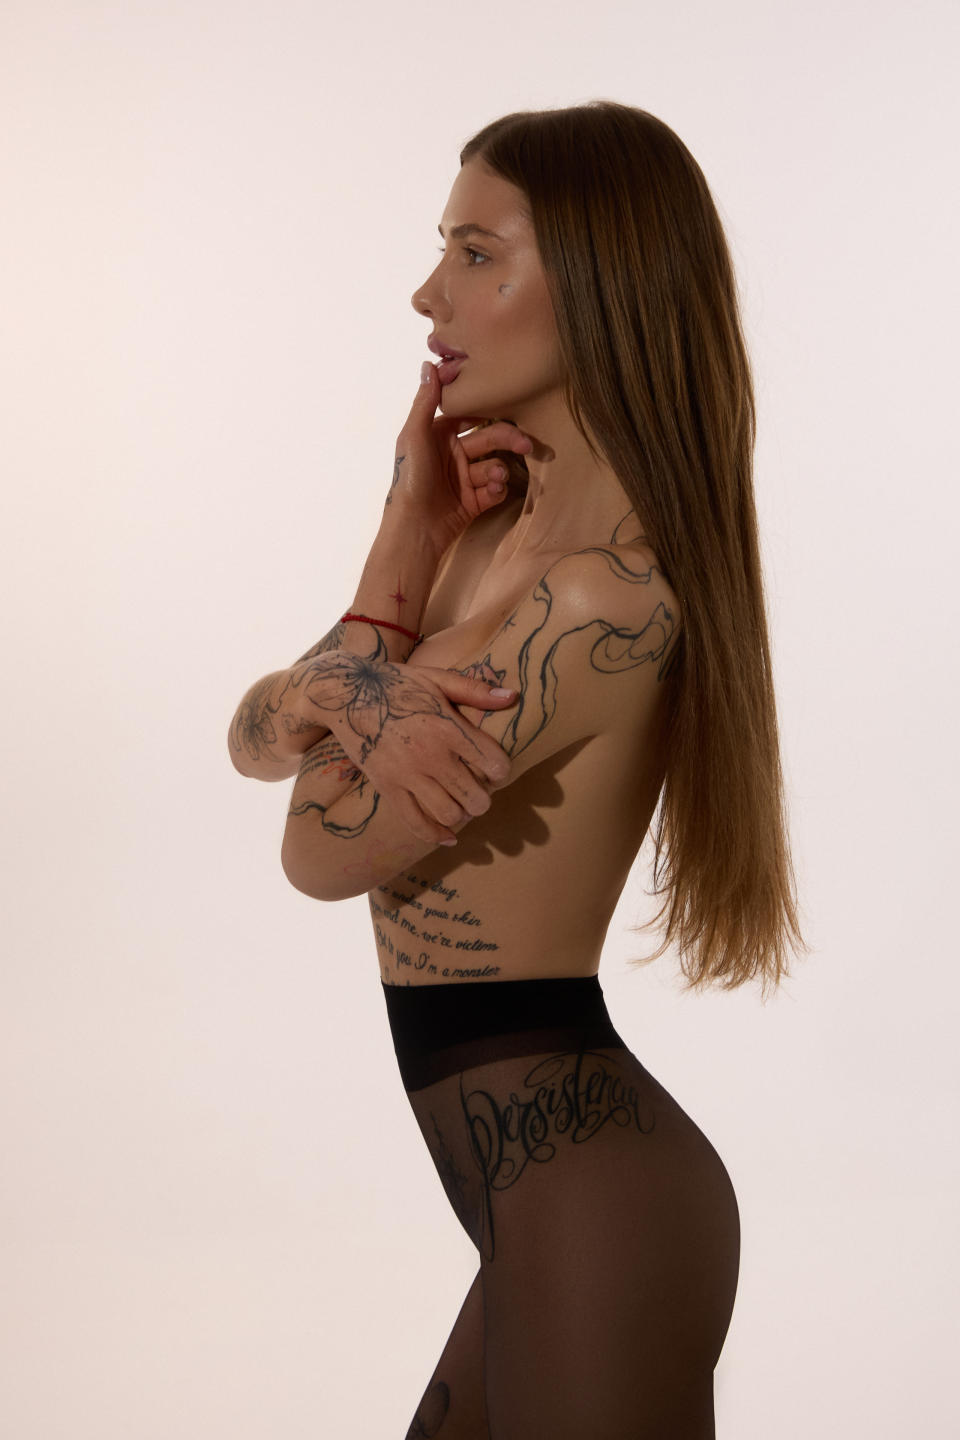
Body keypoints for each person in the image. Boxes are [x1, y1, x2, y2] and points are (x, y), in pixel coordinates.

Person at [228, 100, 807, 1439]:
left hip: (595, 1205)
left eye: (477, 253)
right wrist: (405, 535)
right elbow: (258, 733)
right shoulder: (485, 547)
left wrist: (340, 686)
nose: (428, 292)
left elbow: (317, 847)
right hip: (535, 1206)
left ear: (599, 285)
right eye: (445, 248)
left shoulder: (600, 604)